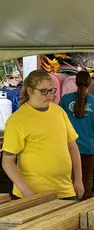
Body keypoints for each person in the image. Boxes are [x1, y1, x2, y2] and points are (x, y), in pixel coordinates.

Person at [2, 70, 84, 200]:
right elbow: (7, 161)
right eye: (44, 91)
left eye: (52, 90)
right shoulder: (17, 120)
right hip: (33, 193)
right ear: (30, 91)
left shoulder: (59, 112)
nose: (49, 95)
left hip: (65, 191)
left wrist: (79, 180)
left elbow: (73, 147)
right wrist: (26, 191)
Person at [59, 71, 94, 200]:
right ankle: (85, 207)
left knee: (69, 178)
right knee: (86, 178)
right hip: (88, 146)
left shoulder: (65, 99)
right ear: (89, 83)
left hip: (68, 146)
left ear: (75, 82)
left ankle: (69, 205)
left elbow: (58, 120)